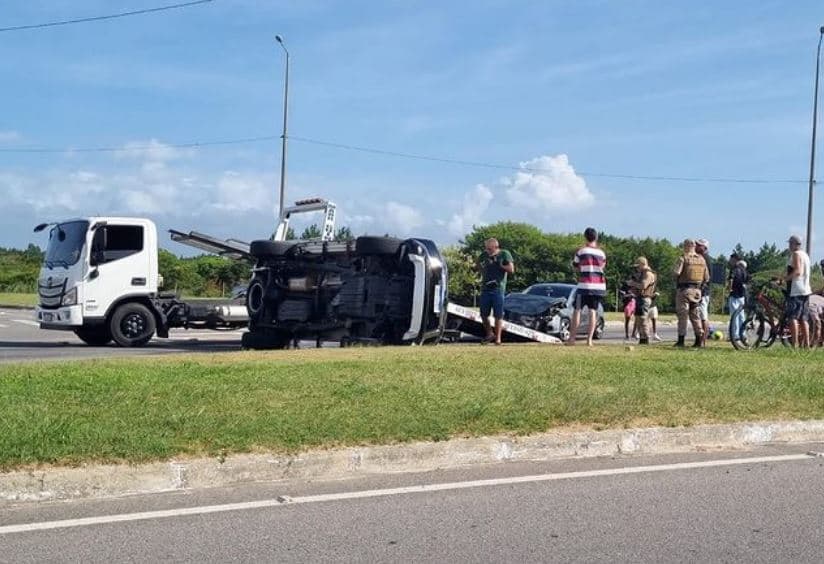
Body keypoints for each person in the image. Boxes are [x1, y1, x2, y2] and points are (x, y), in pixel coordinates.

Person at [567, 227, 607, 347]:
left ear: (585, 237)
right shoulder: (602, 253)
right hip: (598, 286)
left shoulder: (581, 251)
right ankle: (589, 340)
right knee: (593, 311)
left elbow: (575, 265)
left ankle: (572, 339)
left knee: (577, 310)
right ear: (596, 237)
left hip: (584, 284)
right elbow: (603, 266)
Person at [477, 238, 514, 345]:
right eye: (486, 249)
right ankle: (489, 333)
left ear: (495, 247)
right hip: (485, 288)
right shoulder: (484, 255)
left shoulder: (504, 254)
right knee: (483, 314)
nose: (487, 251)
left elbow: (511, 269)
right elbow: (477, 263)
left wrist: (501, 265)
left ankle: (498, 339)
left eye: (489, 249)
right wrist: (483, 270)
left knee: (498, 315)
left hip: (498, 289)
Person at [673, 238, 709, 347]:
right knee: (695, 315)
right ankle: (699, 339)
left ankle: (681, 340)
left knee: (683, 315)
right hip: (697, 291)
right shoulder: (702, 260)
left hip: (684, 290)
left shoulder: (683, 258)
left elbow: (676, 273)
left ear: (686, 246)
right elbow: (707, 277)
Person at [784, 235, 812, 348]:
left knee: (793, 318)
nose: (789, 246)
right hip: (806, 289)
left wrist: (784, 280)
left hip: (796, 289)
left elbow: (798, 271)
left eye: (790, 243)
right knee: (803, 318)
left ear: (795, 244)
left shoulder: (795, 254)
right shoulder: (805, 255)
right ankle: (807, 344)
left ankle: (795, 344)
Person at [627, 256, 657, 345]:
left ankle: (645, 338)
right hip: (640, 298)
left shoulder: (648, 274)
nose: (637, 268)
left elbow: (643, 286)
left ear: (643, 264)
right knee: (639, 319)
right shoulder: (643, 273)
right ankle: (642, 337)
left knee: (643, 319)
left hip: (645, 298)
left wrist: (633, 283)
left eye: (638, 266)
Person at [727, 254, 750, 346]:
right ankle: (742, 334)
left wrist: (729, 288)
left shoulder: (735, 269)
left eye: (731, 259)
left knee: (734, 316)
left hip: (734, 295)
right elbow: (748, 281)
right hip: (742, 296)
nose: (730, 261)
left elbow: (731, 279)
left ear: (735, 260)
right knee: (741, 316)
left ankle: (735, 334)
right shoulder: (745, 271)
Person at [695, 238, 712, 347]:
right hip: (701, 291)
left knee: (703, 316)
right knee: (699, 315)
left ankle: (702, 341)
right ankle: (700, 340)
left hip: (703, 292)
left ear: (704, 248)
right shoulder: (702, 258)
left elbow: (707, 278)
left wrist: (701, 290)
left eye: (699, 245)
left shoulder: (705, 259)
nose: (696, 246)